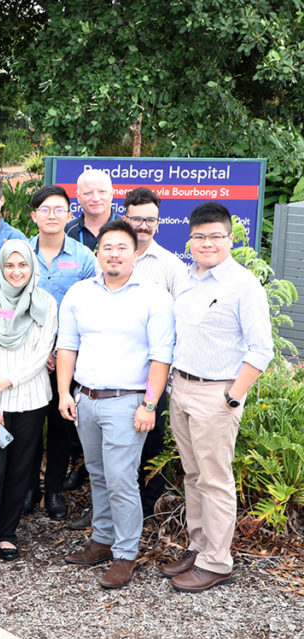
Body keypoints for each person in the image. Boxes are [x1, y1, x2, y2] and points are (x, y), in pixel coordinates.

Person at [57, 221, 174, 589]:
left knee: (122, 479)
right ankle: (103, 541)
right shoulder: (79, 293)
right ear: (98, 252)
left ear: (136, 253)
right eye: (107, 247)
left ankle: (126, 554)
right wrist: (64, 393)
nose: (114, 254)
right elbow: (68, 346)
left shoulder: (154, 297)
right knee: (98, 473)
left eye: (122, 247)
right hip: (86, 400)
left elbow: (161, 356)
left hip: (128, 403)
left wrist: (150, 405)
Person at [164, 202, 273, 593]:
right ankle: (198, 548)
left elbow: (262, 350)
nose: (206, 243)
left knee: (215, 480)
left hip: (217, 393)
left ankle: (217, 561)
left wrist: (232, 397)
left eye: (215, 236)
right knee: (193, 475)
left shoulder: (244, 285)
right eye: (199, 236)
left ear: (229, 238)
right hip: (182, 388)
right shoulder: (188, 279)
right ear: (190, 240)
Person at [0, 240, 58, 577]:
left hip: (31, 400)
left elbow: (41, 352)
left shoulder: (45, 302)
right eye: (10, 265)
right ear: (0, 267)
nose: (16, 272)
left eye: (23, 265)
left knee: (21, 471)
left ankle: (5, 533)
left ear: (32, 267)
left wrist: (10, 381)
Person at [25, 185, 96, 521]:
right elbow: (10, 305)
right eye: (45, 210)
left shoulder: (84, 258)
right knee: (27, 426)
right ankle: (28, 488)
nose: (51, 216)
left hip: (68, 358)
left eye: (59, 210)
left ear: (69, 216)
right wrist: (40, 349)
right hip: (26, 358)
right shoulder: (19, 253)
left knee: (60, 428)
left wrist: (59, 349)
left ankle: (53, 490)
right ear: (33, 215)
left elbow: (89, 310)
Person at [125, 187, 187, 517]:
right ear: (125, 218)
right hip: (114, 372)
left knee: (152, 440)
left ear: (158, 223)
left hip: (153, 373)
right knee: (114, 445)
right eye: (137, 218)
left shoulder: (171, 267)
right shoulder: (110, 256)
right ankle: (107, 510)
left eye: (151, 219)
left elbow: (181, 321)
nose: (144, 225)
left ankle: (148, 510)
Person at [65, 169, 116, 251]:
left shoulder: (126, 229)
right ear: (78, 197)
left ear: (111, 194)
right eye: (88, 193)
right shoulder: (67, 232)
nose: (96, 198)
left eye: (102, 192)